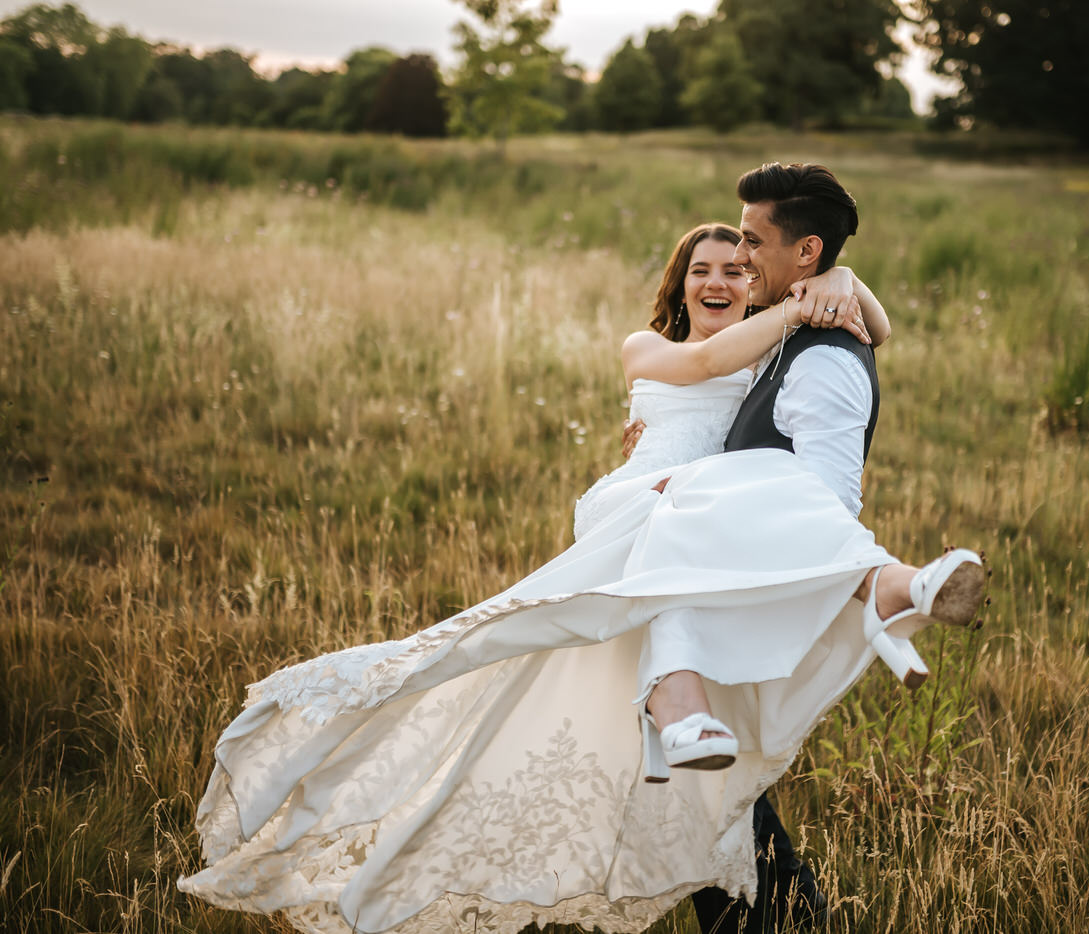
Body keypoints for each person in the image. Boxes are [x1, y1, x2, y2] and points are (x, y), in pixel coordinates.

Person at [177, 167, 986, 934]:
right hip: (648, 512)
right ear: (681, 283)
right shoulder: (667, 345)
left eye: (742, 262)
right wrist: (804, 302)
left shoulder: (774, 355)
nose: (728, 272)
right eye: (708, 264)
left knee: (676, 740)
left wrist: (844, 283)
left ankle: (708, 765)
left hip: (711, 534)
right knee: (565, 672)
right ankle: (823, 630)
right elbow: (701, 365)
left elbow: (859, 337)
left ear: (778, 269)